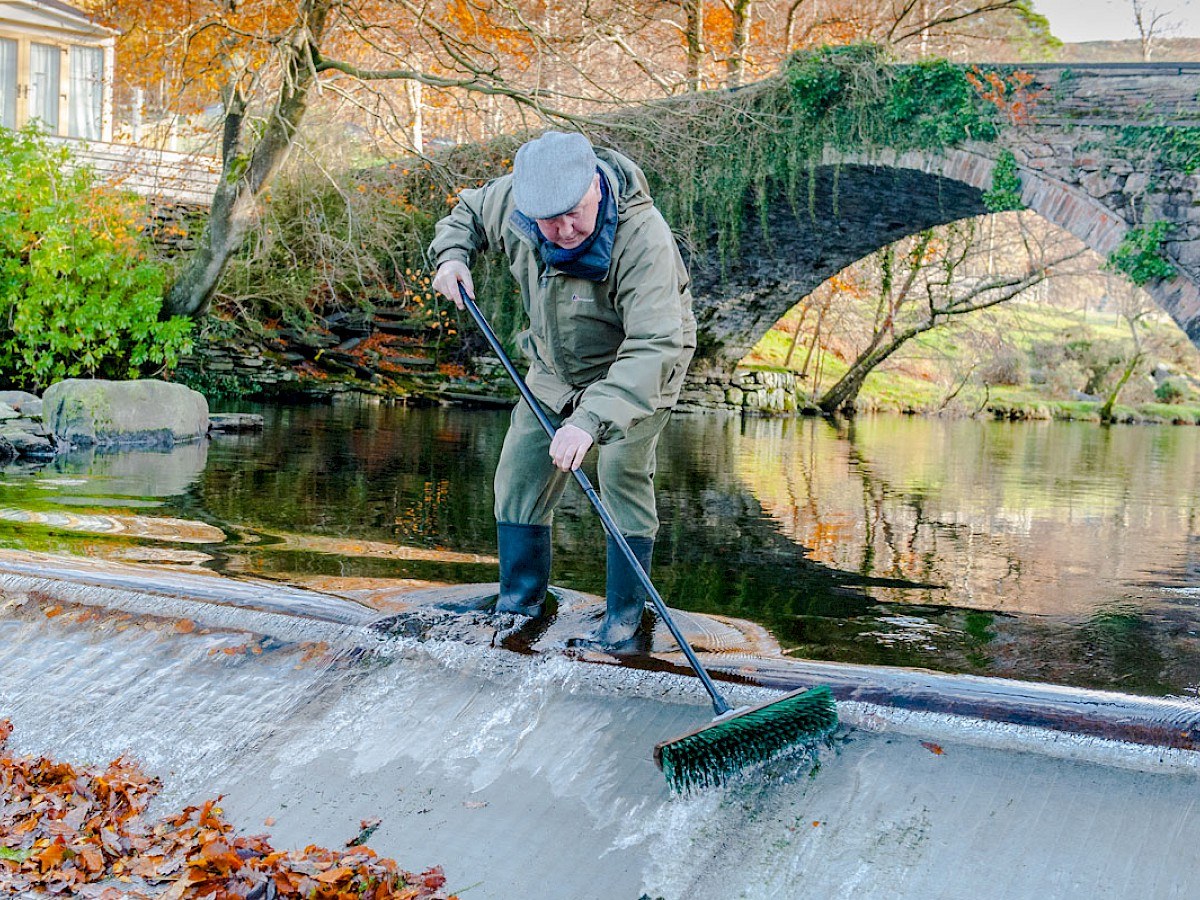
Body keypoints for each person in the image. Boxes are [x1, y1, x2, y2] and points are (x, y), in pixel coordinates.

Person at [429, 130, 696, 651]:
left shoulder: (644, 238)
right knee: (519, 473)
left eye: (574, 212)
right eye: (550, 220)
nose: (565, 228)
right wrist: (452, 255)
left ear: (595, 185)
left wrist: (588, 420)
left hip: (638, 367)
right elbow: (465, 212)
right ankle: (520, 606)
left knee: (621, 471)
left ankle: (624, 619)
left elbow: (654, 344)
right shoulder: (514, 202)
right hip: (553, 367)